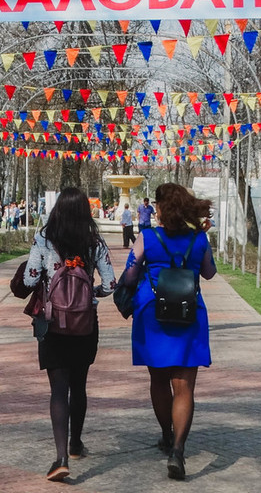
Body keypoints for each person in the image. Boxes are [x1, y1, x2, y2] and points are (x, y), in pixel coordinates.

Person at [119, 182, 217, 480]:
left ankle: (165, 432)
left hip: (153, 313)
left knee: (159, 380)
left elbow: (130, 273)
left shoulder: (147, 237)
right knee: (184, 386)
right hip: (189, 313)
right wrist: (200, 241)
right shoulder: (198, 239)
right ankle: (177, 449)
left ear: (160, 208)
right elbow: (209, 273)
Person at [20, 187, 116, 482]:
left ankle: (60, 456)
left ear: (57, 210)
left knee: (58, 390)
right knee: (80, 385)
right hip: (85, 323)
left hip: (53, 324)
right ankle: (76, 444)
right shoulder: (95, 243)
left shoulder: (44, 239)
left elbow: (28, 278)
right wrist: (92, 294)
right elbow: (111, 284)